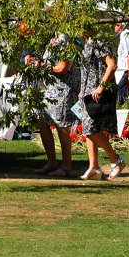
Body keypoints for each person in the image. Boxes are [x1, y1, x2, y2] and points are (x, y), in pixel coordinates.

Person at [74, 31, 124, 180]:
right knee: (88, 129)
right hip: (87, 93)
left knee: (91, 129)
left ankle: (116, 159)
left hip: (97, 92)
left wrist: (101, 87)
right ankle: (94, 166)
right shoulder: (85, 44)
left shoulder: (99, 42)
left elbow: (112, 64)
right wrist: (82, 91)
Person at [24, 33, 76, 178]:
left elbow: (62, 68)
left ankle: (66, 166)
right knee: (43, 123)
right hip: (48, 89)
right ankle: (51, 162)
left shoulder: (65, 39)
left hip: (61, 90)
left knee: (62, 127)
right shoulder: (53, 38)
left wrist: (41, 65)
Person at [114, 21, 129, 105]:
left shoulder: (126, 36)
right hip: (123, 74)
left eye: (115, 24)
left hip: (126, 74)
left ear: (120, 25)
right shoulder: (123, 36)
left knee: (122, 101)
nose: (113, 26)